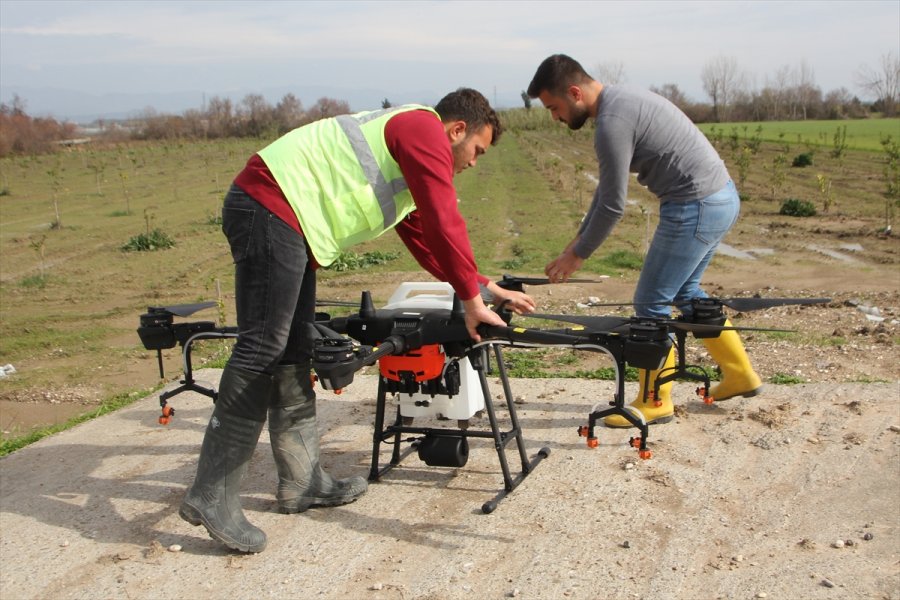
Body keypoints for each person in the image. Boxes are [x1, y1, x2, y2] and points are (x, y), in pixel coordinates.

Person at [180, 88, 536, 553]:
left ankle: (302, 483)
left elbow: (429, 242)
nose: (473, 162)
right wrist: (470, 300)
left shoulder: (409, 153)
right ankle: (211, 493)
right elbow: (445, 218)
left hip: (290, 223)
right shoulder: (421, 129)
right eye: (476, 150)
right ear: (456, 130)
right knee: (262, 347)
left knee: (291, 349)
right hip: (270, 207)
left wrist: (484, 287)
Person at [526, 54, 762, 428]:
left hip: (694, 204)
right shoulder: (622, 101)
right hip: (720, 199)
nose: (555, 117)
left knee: (650, 303)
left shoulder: (612, 122)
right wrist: (577, 242)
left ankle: (655, 402)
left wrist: (578, 255)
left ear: (574, 92)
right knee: (686, 295)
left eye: (554, 108)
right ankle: (740, 375)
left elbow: (613, 205)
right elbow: (605, 192)